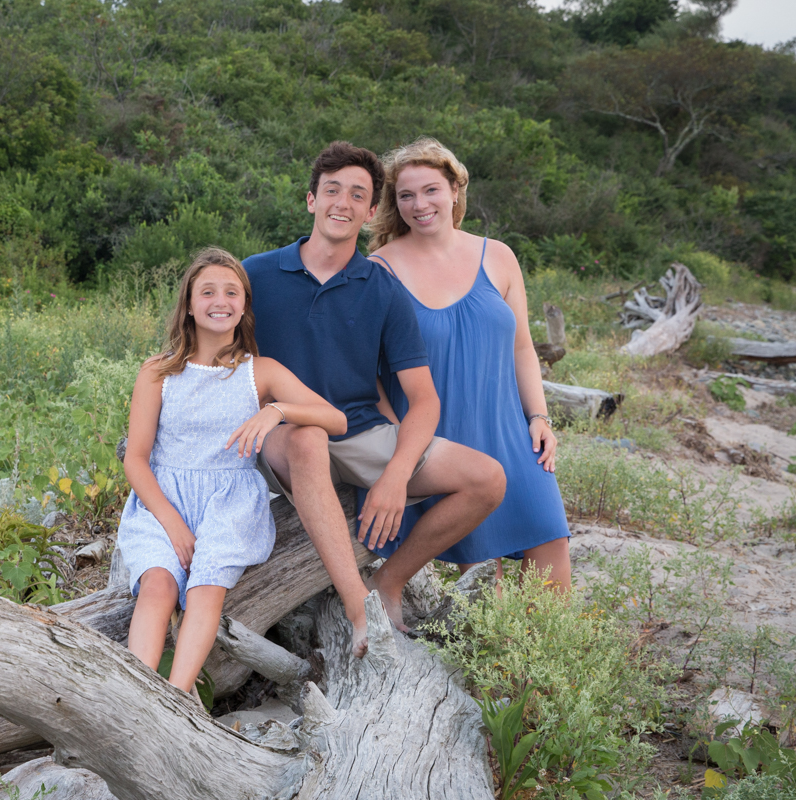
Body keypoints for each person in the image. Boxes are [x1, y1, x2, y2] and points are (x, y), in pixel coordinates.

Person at [244, 141, 507, 657]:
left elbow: (423, 399)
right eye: (332, 190)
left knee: (487, 478)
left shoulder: (381, 289)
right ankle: (357, 608)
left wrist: (394, 477)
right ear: (310, 200)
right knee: (307, 438)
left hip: (359, 430)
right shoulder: (256, 275)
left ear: (369, 213)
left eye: (357, 195)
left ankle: (388, 584)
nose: (342, 202)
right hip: (280, 434)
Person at [120, 247, 348, 694]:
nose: (219, 300)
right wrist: (173, 523)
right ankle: (138, 696)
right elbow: (136, 458)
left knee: (206, 587)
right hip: (164, 501)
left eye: (231, 291)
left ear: (244, 304)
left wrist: (277, 410)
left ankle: (178, 694)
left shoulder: (258, 372)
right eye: (207, 292)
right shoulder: (158, 371)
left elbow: (336, 419)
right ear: (189, 303)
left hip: (230, 503)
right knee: (159, 587)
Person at [367, 137, 571, 589]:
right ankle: (494, 660)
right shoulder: (379, 269)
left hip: (511, 432)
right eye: (406, 195)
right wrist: (395, 442)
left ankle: (537, 659)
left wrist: (539, 416)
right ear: (394, 203)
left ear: (455, 189)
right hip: (442, 439)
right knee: (485, 580)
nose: (420, 204)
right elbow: (367, 370)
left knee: (552, 551)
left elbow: (522, 348)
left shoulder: (498, 256)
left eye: (431, 190)